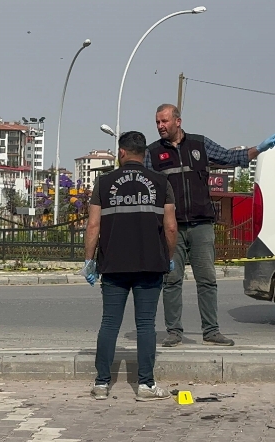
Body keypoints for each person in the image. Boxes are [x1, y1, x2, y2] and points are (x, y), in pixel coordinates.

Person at [144, 103, 275, 348]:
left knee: (207, 280)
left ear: (178, 121)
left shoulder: (200, 144)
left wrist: (258, 149)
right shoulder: (152, 153)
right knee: (171, 281)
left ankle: (211, 331)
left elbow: (230, 157)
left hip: (202, 226)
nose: (160, 126)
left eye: (164, 121)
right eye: (157, 122)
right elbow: (143, 185)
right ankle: (174, 332)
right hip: (170, 228)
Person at [84, 130, 178, 401]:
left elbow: (93, 225)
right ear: (145, 154)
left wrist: (89, 261)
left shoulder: (103, 183)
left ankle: (102, 384)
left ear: (121, 153)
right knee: (146, 324)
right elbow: (171, 227)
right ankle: (146, 386)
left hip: (113, 265)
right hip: (150, 264)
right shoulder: (161, 182)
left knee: (110, 323)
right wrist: (168, 256)